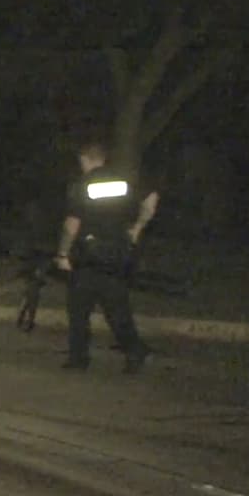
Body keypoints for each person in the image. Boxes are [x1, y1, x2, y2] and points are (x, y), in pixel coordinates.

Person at [54, 141, 159, 373]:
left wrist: (63, 253)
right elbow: (151, 198)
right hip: (117, 253)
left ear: (85, 159)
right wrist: (137, 228)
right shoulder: (123, 181)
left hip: (88, 255)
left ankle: (79, 359)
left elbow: (72, 223)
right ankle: (134, 351)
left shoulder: (82, 185)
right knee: (117, 308)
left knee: (79, 309)